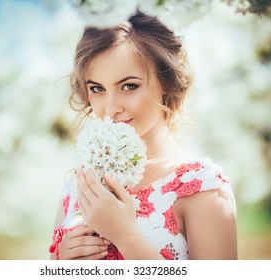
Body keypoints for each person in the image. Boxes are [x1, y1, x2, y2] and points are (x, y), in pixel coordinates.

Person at [49, 10, 237, 260]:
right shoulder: (79, 182)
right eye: (97, 88)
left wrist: (126, 237)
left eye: (129, 86)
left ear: (166, 81)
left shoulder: (202, 186)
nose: (111, 108)